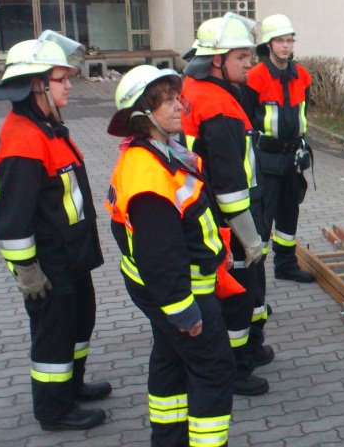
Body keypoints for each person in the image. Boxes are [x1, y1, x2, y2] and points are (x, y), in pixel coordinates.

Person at [0, 31, 110, 431]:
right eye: (62, 79)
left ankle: (72, 386)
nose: (69, 85)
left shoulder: (45, 128)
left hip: (70, 257)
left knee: (79, 323)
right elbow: (12, 222)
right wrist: (28, 272)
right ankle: (54, 410)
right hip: (48, 266)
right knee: (54, 335)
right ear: (36, 85)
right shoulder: (23, 140)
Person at [106, 65, 236, 445]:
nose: (180, 106)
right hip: (181, 294)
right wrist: (182, 310)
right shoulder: (147, 175)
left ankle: (168, 439)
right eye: (167, 101)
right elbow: (160, 254)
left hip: (168, 291)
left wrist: (217, 254)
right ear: (143, 115)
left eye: (177, 97)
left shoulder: (158, 155)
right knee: (213, 369)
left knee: (170, 359)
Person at [181, 13, 271, 397]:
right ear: (216, 60)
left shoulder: (192, 89)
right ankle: (236, 369)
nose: (249, 63)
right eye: (241, 57)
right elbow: (230, 184)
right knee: (238, 292)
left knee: (241, 289)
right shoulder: (218, 106)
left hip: (208, 211)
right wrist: (249, 238)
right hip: (229, 217)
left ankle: (248, 348)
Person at [242, 14, 316, 284]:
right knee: (263, 219)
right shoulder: (254, 77)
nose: (286, 46)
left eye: (289, 40)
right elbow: (245, 120)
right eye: (280, 41)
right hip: (265, 158)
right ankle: (255, 277)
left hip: (292, 158)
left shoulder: (302, 76)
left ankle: (285, 265)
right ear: (268, 45)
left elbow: (302, 113)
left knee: (289, 214)